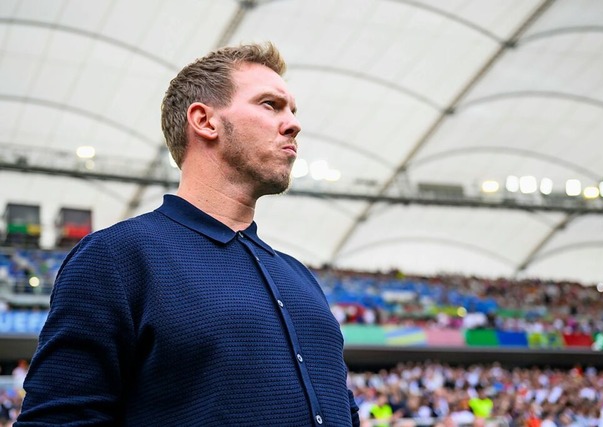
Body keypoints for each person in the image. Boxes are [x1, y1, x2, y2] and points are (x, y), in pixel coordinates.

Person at [16, 42, 360, 426]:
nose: (293, 123)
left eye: (293, 110)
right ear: (205, 120)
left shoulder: (301, 277)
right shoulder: (117, 257)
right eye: (270, 104)